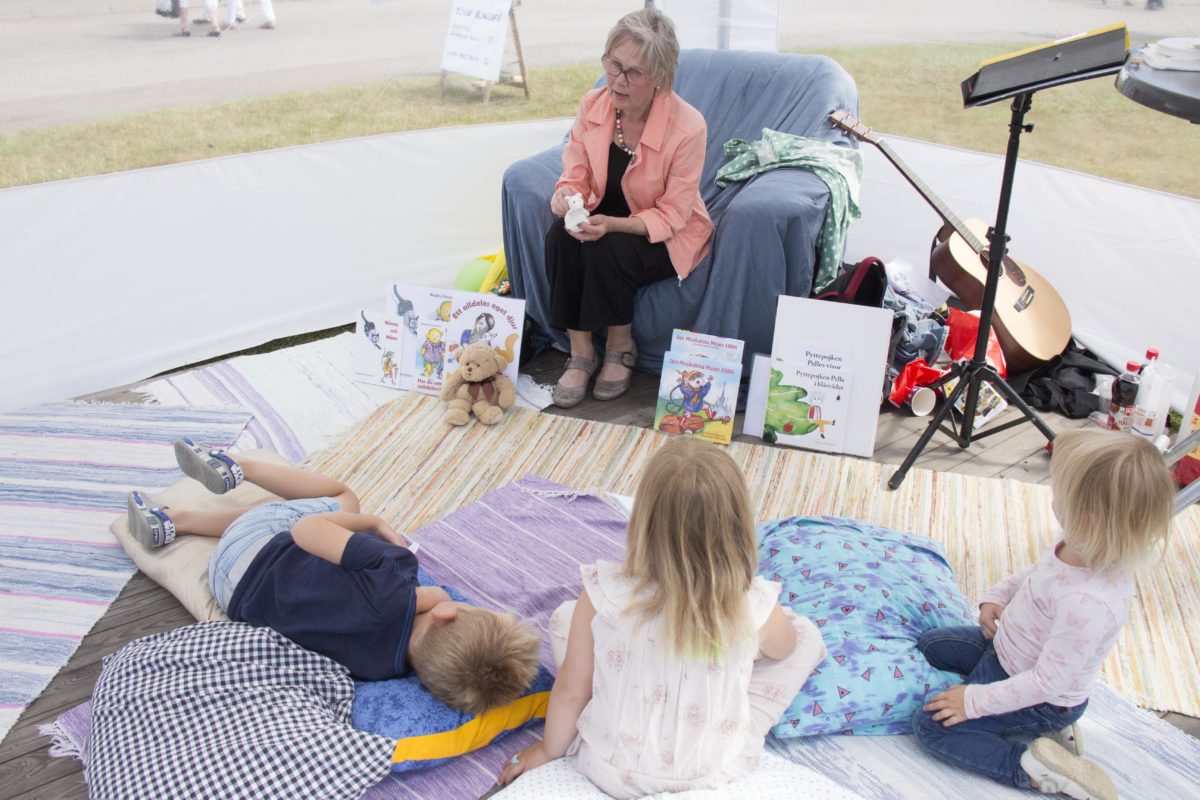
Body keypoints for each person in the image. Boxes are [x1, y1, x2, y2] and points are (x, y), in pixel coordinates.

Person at [496, 438, 825, 797]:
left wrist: (549, 750)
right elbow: (785, 648)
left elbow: (571, 692)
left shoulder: (604, 591)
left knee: (566, 618)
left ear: (644, 520)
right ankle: (728, 708)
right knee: (806, 636)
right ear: (738, 525)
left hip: (609, 768)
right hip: (713, 771)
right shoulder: (751, 600)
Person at [125, 438, 541, 715]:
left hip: (255, 547)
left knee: (342, 499)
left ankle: (238, 466)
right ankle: (176, 522)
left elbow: (305, 531)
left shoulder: (395, 571)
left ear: (446, 612)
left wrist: (369, 523)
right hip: (232, 593)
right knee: (271, 529)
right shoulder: (377, 669)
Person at [912, 429, 1175, 800]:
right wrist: (997, 596)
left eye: (1059, 491)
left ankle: (1034, 769)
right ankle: (1038, 732)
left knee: (932, 727)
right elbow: (1038, 575)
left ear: (1087, 514)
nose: (1053, 495)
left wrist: (972, 701)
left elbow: (1045, 683)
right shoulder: (1077, 543)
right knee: (931, 645)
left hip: (1042, 698)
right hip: (1006, 651)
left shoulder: (1089, 604)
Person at [544, 9, 712, 408]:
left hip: (664, 231)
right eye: (613, 64)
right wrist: (566, 195)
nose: (618, 80)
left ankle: (621, 348)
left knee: (608, 248)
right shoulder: (594, 104)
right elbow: (575, 171)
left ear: (660, 77)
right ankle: (581, 353)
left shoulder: (688, 126)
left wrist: (615, 225)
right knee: (559, 238)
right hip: (604, 214)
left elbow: (674, 213)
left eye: (634, 72)